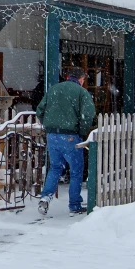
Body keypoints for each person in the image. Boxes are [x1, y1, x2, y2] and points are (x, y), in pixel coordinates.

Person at [35, 67, 96, 216]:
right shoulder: (81, 92)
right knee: (76, 171)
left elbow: (39, 110)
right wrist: (81, 131)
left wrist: (49, 125)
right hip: (70, 136)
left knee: (55, 168)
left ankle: (45, 197)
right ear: (81, 79)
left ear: (68, 77)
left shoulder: (54, 89)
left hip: (52, 136)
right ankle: (74, 204)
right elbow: (88, 114)